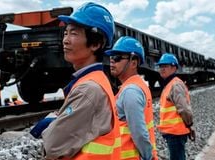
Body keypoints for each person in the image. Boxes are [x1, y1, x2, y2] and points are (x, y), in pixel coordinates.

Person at [33, 2, 120, 159]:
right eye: (65, 33)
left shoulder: (88, 89)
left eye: (74, 33)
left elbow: (52, 146)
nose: (65, 40)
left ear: (95, 43)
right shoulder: (97, 80)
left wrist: (50, 122)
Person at [105, 36, 158, 160]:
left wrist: (148, 157)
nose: (112, 61)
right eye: (111, 57)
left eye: (117, 57)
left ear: (133, 62)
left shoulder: (131, 91)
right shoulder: (135, 86)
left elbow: (139, 133)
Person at [156, 53, 195, 160]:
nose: (162, 69)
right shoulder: (169, 84)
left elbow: (185, 109)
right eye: (160, 66)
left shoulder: (175, 85)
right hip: (172, 132)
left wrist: (190, 125)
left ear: (174, 68)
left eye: (165, 66)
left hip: (176, 133)